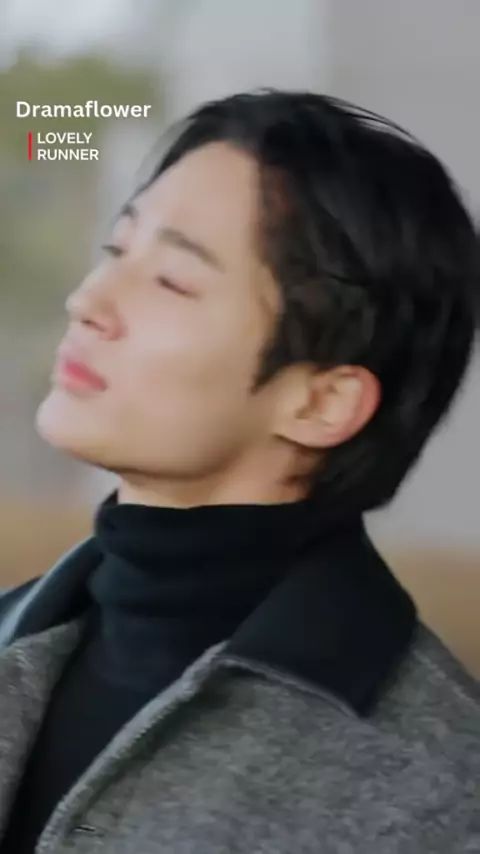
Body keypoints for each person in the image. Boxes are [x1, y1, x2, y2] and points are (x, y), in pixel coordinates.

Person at [0, 90, 478, 854]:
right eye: (117, 251)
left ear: (321, 402)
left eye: (172, 281)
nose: (87, 300)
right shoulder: (18, 637)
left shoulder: (436, 791)